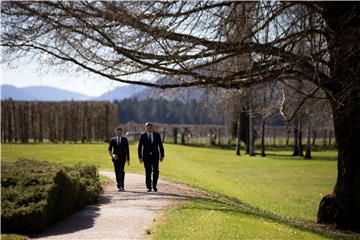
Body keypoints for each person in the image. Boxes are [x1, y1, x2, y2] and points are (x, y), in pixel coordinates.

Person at [138, 122, 164, 192]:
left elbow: (160, 145)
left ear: (153, 128)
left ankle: (154, 186)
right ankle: (149, 187)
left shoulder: (157, 135)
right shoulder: (142, 136)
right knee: (148, 172)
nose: (149, 129)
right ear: (146, 128)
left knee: (156, 170)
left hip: (155, 156)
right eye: (148, 127)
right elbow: (140, 147)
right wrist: (140, 157)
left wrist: (162, 155)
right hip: (146, 157)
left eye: (150, 127)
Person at [108, 127, 130, 192]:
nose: (119, 133)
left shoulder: (125, 140)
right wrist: (112, 155)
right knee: (117, 172)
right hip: (115, 159)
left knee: (121, 171)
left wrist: (128, 159)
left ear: (122, 132)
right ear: (115, 132)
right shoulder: (112, 140)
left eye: (120, 132)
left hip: (123, 158)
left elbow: (127, 150)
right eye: (118, 132)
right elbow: (109, 150)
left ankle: (122, 186)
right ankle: (118, 185)